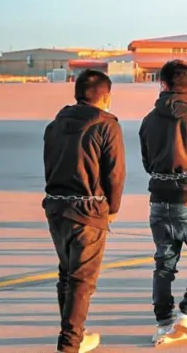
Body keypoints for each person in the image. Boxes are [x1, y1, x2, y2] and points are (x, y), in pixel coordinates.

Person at [43, 69, 125, 353]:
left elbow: (49, 165)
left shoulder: (54, 124)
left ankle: (75, 333)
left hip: (56, 207)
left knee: (67, 274)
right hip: (88, 210)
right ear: (106, 96)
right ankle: (71, 343)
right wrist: (112, 209)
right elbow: (115, 174)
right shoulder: (106, 124)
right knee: (82, 280)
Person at [138, 60, 187, 345]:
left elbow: (147, 162)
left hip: (159, 196)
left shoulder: (149, 119)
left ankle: (163, 321)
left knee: (164, 263)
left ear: (164, 83)